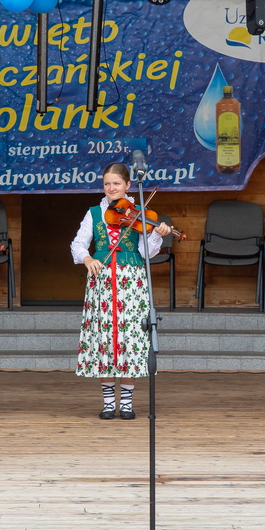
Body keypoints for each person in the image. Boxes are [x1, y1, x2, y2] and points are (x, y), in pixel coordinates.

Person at [70, 163, 170, 420]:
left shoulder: (139, 213)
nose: (111, 188)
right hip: (102, 279)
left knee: (130, 338)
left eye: (116, 183)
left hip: (131, 280)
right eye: (107, 183)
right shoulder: (93, 212)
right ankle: (107, 402)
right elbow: (79, 243)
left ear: (128, 185)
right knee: (104, 337)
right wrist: (87, 259)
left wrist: (157, 234)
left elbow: (147, 253)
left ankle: (126, 403)